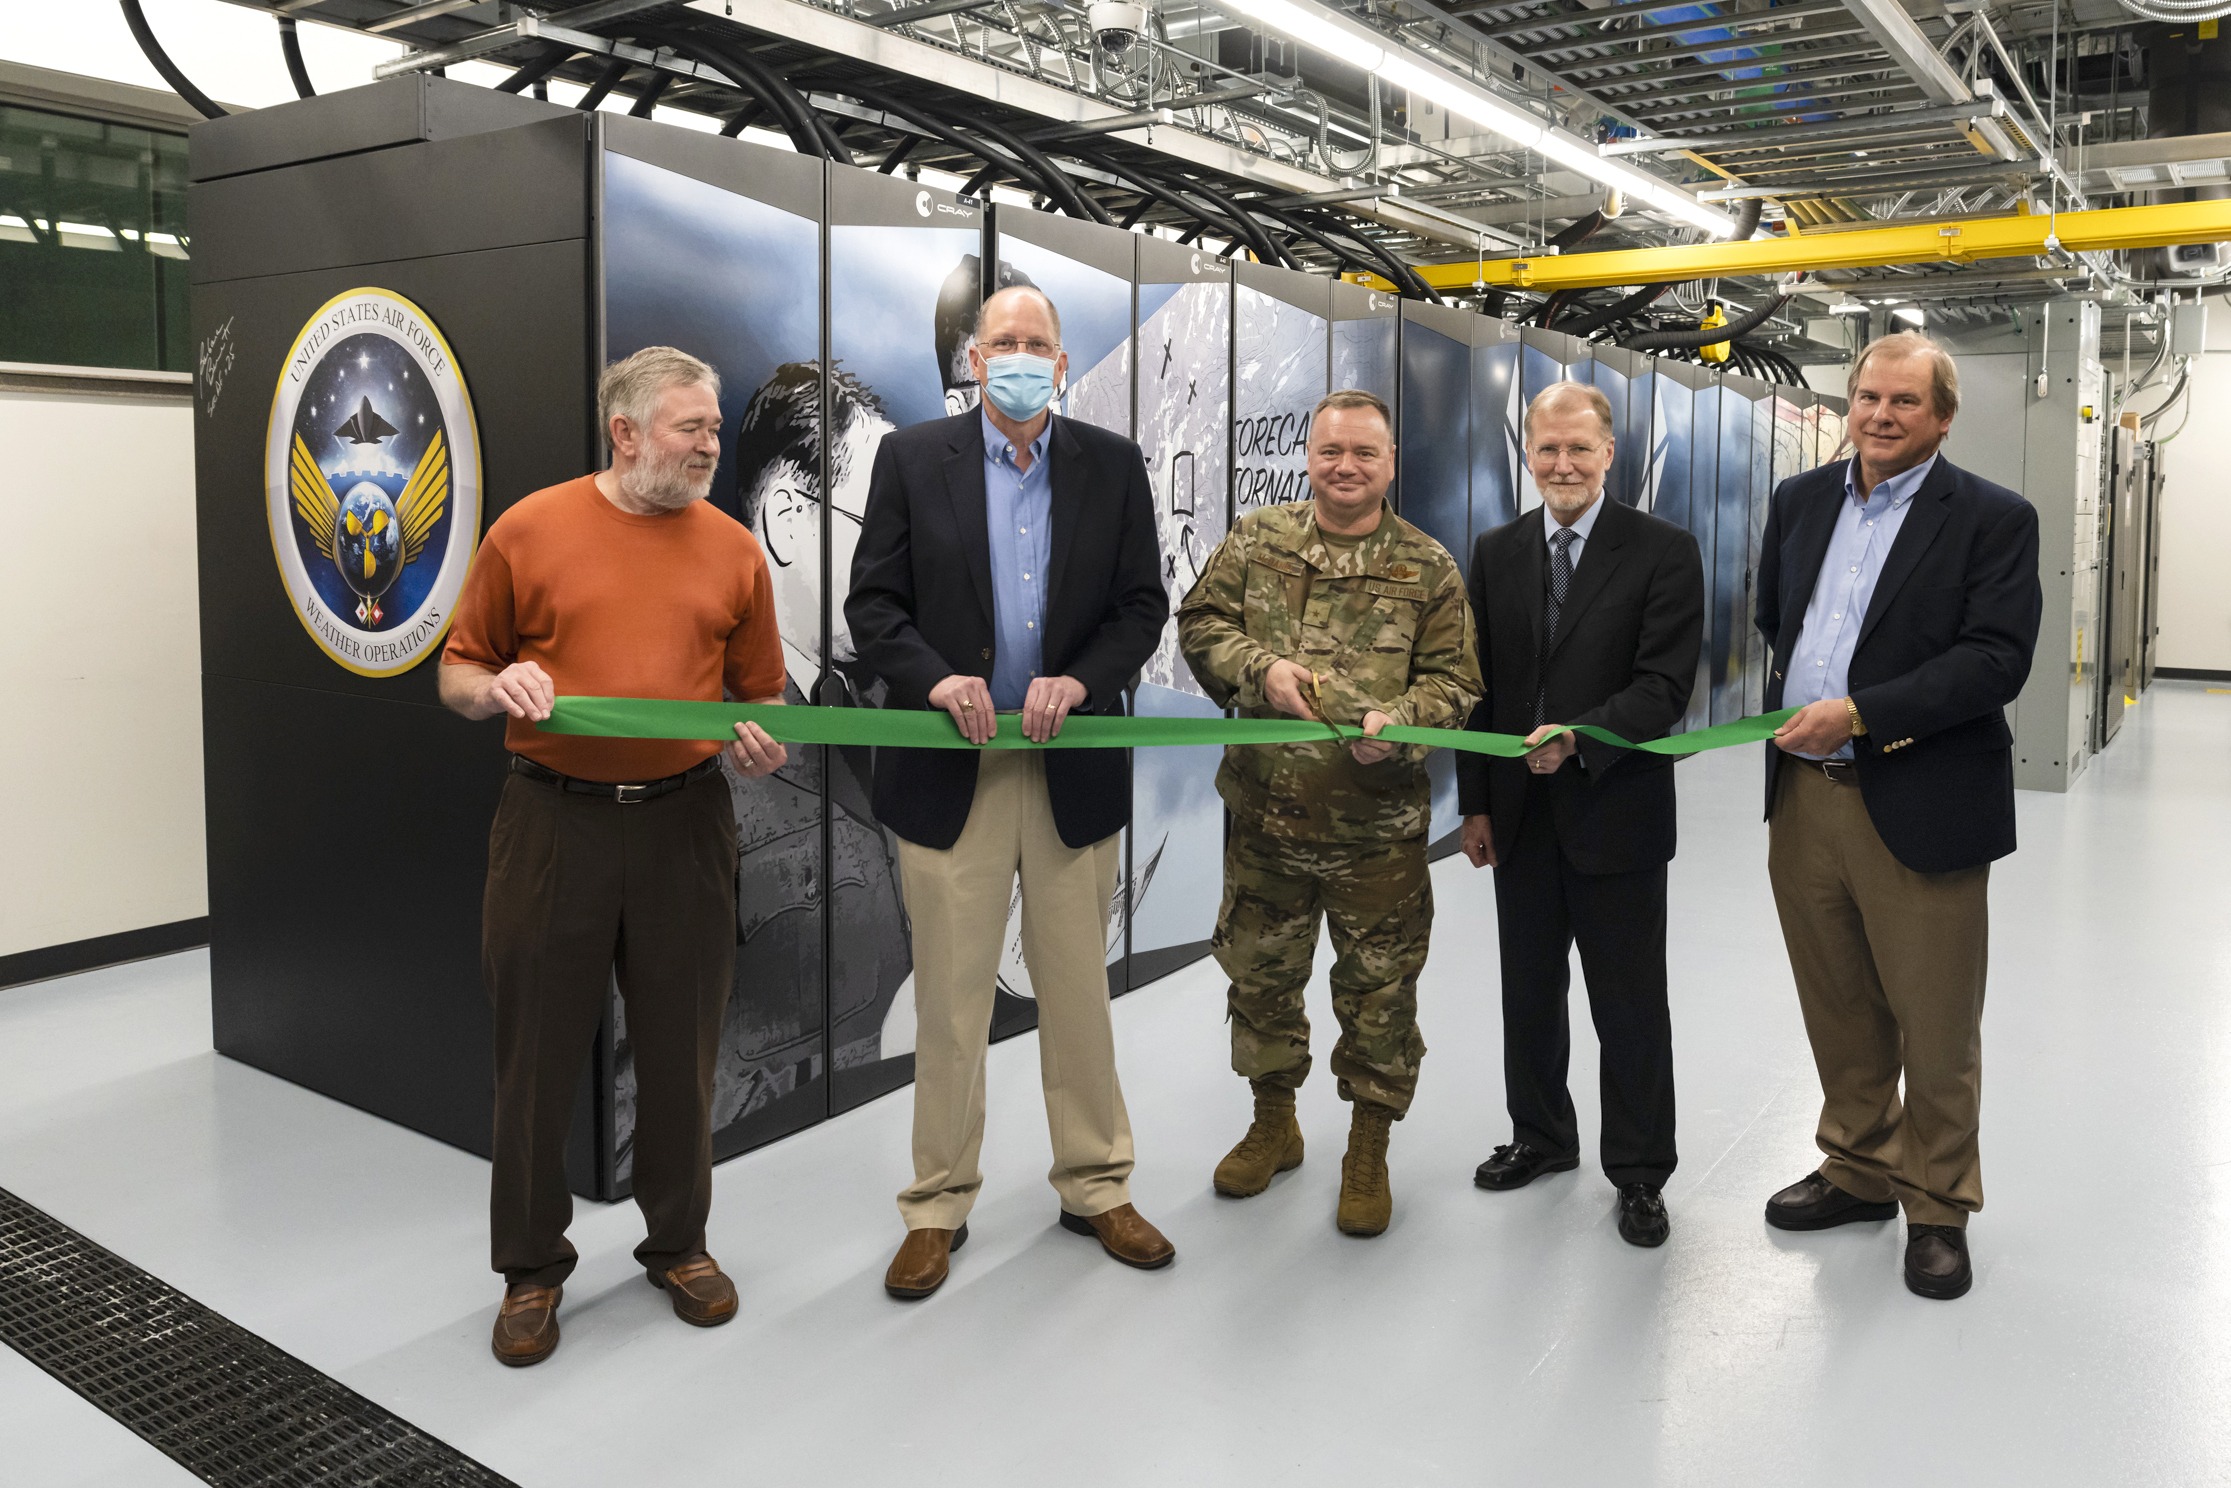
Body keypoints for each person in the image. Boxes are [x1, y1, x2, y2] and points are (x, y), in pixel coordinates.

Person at [440, 346, 790, 1367]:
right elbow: (457, 673)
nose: (710, 447)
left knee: (683, 1052)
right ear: (625, 432)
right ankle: (530, 1270)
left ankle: (679, 1244)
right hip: (553, 823)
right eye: (691, 428)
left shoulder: (734, 551)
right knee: (535, 1057)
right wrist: (496, 688)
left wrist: (759, 740)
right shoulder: (527, 531)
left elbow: (761, 696)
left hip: (687, 822)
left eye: (714, 429)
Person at [845, 284, 1173, 1299]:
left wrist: (1082, 681)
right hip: (956, 769)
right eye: (1004, 342)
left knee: (1076, 995)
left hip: (1070, 764)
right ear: (976, 360)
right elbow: (873, 605)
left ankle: (1096, 1183)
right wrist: (933, 680)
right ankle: (936, 1204)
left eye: (1038, 343)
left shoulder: (1111, 466)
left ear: (1060, 363)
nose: (1021, 357)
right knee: (951, 1003)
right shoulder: (911, 461)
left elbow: (1140, 607)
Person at [1755, 330, 2041, 1301]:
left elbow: (1995, 659)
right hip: (1804, 797)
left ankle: (1936, 1204)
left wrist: (1860, 712)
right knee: (1836, 1001)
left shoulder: (1991, 518)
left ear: (1942, 417)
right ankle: (1857, 1166)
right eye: (1867, 397)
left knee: (1934, 1020)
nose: (1879, 415)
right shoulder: (1798, 501)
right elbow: (1777, 618)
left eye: (1903, 401)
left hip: (1920, 799)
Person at [1177, 389, 1480, 1238]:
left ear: (1390, 464)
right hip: (1264, 820)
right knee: (1260, 980)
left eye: (1363, 453)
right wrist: (1257, 669)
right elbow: (1199, 621)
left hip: (1374, 835)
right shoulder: (1257, 539)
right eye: (1330, 451)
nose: (1345, 467)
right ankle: (1273, 1124)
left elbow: (1456, 683)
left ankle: (1367, 1147)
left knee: (1377, 996)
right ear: (1309, 456)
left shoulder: (1427, 567)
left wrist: (1402, 728)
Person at [1458, 381, 1705, 1249]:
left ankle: (1639, 1170)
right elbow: (1478, 689)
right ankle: (1540, 1135)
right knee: (1528, 992)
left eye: (1578, 448)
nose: (1561, 464)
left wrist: (1579, 739)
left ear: (1609, 453)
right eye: (1547, 448)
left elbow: (1663, 686)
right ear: (1527, 454)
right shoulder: (1495, 551)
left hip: (1614, 809)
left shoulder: (1663, 550)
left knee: (1628, 1003)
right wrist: (1474, 804)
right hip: (1518, 816)